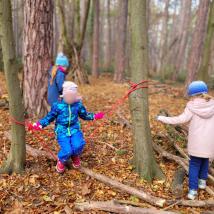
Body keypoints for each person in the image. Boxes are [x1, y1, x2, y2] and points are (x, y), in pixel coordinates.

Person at [157, 81, 214, 200]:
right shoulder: (212, 105)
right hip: (210, 141)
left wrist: (163, 118)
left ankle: (193, 191)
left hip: (197, 142)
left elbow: (181, 119)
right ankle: (202, 181)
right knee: (205, 160)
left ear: (192, 95)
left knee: (194, 164)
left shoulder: (192, 106)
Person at [30, 81, 105, 173]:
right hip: (62, 131)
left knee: (79, 145)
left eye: (72, 96)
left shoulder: (78, 105)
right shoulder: (58, 106)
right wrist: (40, 124)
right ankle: (61, 160)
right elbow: (49, 117)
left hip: (74, 130)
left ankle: (75, 155)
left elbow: (84, 115)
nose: (70, 98)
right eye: (68, 96)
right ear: (64, 96)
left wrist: (94, 116)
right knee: (67, 150)